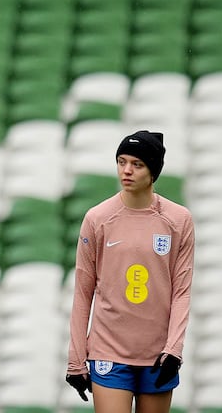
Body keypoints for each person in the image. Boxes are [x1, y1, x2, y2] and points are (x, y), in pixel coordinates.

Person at [65, 130, 195, 413]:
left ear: (153, 171)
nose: (126, 170)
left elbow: (181, 292)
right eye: (122, 161)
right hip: (108, 352)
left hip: (158, 355)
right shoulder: (97, 218)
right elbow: (83, 293)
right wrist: (76, 359)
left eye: (137, 164)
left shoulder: (178, 220)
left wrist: (174, 349)